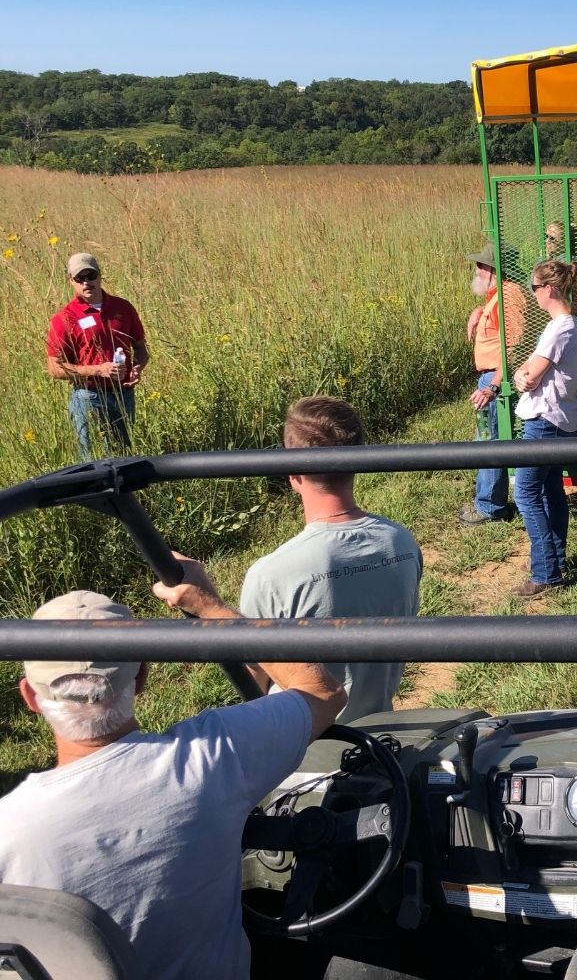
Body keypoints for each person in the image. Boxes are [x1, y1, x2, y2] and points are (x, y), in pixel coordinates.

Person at [0, 570, 347, 980]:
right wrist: (210, 606)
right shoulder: (215, 755)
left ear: (29, 697)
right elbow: (323, 692)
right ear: (143, 676)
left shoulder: (10, 829)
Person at [240, 396, 422, 722]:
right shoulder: (402, 542)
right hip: (378, 732)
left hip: (300, 752)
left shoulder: (272, 574)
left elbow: (254, 680)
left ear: (292, 472)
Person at [511, 258, 577, 598]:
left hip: (545, 420)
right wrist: (522, 374)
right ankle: (554, 561)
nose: (534, 294)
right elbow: (525, 371)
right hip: (554, 418)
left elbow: (531, 373)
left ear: (550, 289)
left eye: (535, 288)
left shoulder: (561, 327)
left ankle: (546, 573)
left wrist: (523, 375)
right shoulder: (564, 325)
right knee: (550, 490)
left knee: (526, 492)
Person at [46, 252, 150, 456]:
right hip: (89, 397)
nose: (86, 282)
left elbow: (140, 347)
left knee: (123, 456)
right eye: (79, 278)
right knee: (92, 461)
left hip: (124, 395)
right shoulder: (64, 318)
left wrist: (137, 368)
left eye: (90, 275)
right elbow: (54, 367)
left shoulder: (123, 308)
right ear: (71, 281)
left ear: (100, 276)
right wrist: (97, 370)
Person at [461, 241, 527, 525]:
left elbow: (515, 345)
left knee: (489, 442)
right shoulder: (500, 294)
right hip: (489, 377)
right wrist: (480, 310)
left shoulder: (509, 295)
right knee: (486, 439)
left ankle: (490, 507)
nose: (477, 270)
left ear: (495, 269)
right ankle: (489, 502)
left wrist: (493, 386)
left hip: (494, 379)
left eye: (482, 265)